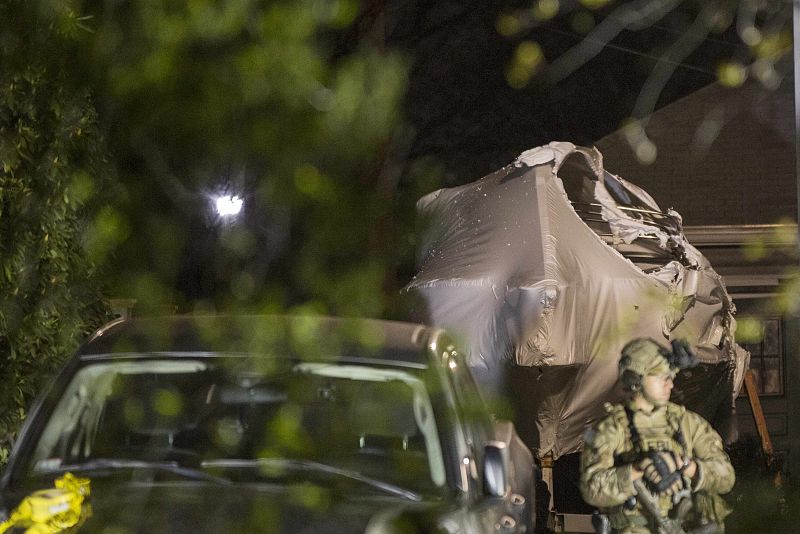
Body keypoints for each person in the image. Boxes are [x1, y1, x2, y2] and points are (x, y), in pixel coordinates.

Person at [579, 338, 735, 533]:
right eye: (662, 377)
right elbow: (591, 488)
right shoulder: (611, 428)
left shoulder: (686, 423)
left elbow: (726, 477)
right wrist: (637, 469)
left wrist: (686, 466)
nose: (670, 384)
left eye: (671, 377)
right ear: (636, 379)